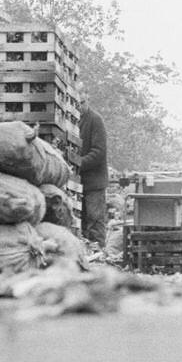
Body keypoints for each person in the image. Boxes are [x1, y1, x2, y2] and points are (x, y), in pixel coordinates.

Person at [76, 80, 108, 246]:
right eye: (77, 103)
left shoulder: (95, 120)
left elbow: (98, 153)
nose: (80, 107)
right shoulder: (73, 121)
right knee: (79, 222)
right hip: (78, 182)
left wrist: (77, 163)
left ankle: (99, 257)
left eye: (83, 103)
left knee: (94, 221)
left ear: (88, 99)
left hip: (94, 183)